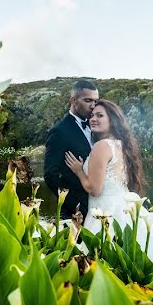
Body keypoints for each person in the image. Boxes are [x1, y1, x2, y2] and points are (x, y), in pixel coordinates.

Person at [63, 99, 153, 262]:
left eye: (100, 115)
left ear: (112, 120)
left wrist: (79, 171)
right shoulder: (121, 145)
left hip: (105, 211)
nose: (93, 119)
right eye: (92, 115)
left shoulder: (101, 146)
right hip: (126, 208)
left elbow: (94, 189)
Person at [43, 79, 99, 219]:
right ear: (74, 101)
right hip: (77, 211)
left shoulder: (98, 127)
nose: (93, 106)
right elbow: (50, 175)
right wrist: (74, 205)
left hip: (101, 205)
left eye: (95, 101)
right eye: (88, 101)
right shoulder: (59, 132)